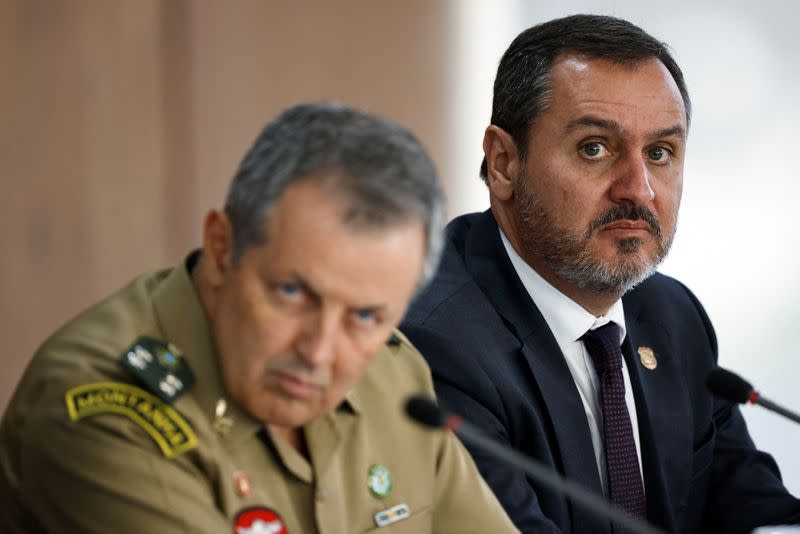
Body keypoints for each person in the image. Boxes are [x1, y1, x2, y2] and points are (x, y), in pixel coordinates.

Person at [0, 102, 519, 533]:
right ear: (223, 248)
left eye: (365, 316)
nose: (318, 351)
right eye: (292, 293)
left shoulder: (393, 376)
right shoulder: (106, 415)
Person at [401, 14, 800, 534]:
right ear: (503, 163)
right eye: (596, 148)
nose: (639, 189)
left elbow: (755, 511)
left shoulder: (671, 318)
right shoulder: (435, 342)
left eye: (660, 153)